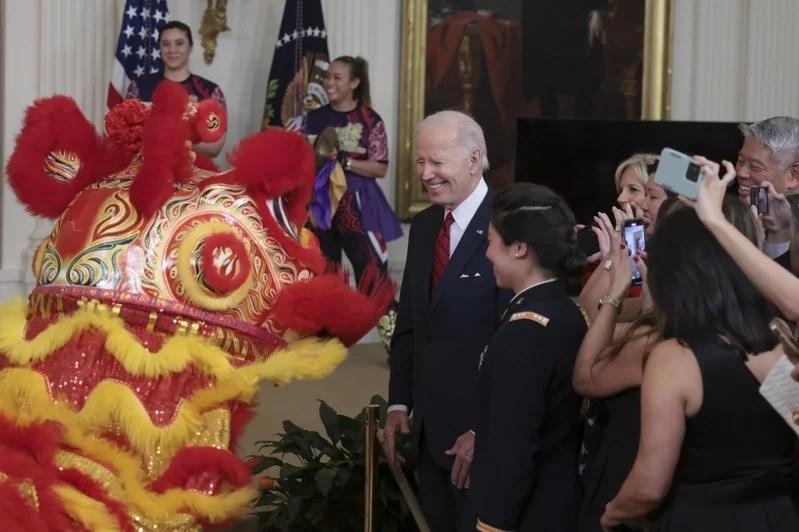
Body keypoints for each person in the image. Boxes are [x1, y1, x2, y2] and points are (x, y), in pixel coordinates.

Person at [600, 188, 799, 531]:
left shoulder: (673, 358)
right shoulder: (778, 338)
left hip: (702, 518)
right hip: (775, 516)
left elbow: (649, 485)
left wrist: (612, 513)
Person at [384, 110, 511, 531]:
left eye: (437, 162)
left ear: (474, 160)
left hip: (482, 442)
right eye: (420, 162)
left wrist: (483, 430)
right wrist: (399, 402)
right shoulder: (423, 227)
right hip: (427, 437)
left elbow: (511, 346)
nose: (425, 173)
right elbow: (409, 326)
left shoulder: (509, 225)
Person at [472, 183, 588, 531]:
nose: (487, 251)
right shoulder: (567, 311)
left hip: (530, 513)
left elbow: (514, 449)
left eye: (492, 240)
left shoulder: (526, 331)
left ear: (520, 248)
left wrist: (492, 525)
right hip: (561, 501)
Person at [304, 56, 403, 348]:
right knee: (324, 270)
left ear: (354, 83)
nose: (329, 82)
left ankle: (396, 341)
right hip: (320, 204)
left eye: (337, 78)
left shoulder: (370, 120)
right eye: (328, 77)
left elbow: (380, 167)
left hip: (357, 203)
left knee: (371, 271)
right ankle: (324, 340)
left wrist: (344, 162)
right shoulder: (312, 119)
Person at [125, 20, 226, 157]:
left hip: (194, 174)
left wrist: (172, 130)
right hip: (147, 169)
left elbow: (215, 146)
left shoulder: (211, 92)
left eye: (179, 43)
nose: (172, 50)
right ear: (159, 49)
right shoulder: (139, 87)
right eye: (166, 44)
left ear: (190, 47)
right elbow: (126, 137)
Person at [735, 116, 799, 268]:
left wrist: (778, 237)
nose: (741, 173)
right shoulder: (733, 213)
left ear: (793, 175)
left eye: (755, 167)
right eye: (740, 161)